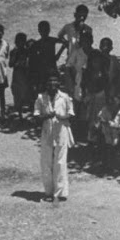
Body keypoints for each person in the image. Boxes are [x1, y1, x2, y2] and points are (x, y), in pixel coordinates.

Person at [34, 72, 75, 203]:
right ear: (46, 84)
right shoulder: (41, 98)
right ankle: (48, 192)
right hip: (47, 132)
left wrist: (62, 117)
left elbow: (71, 114)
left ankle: (60, 192)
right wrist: (47, 116)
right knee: (46, 162)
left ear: (58, 83)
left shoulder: (65, 97)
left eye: (55, 81)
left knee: (60, 161)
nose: (52, 84)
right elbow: (36, 116)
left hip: (61, 132)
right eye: (50, 81)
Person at [57, 4, 93, 102]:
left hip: (84, 60)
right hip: (71, 59)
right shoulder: (68, 27)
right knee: (71, 84)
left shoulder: (88, 29)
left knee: (82, 83)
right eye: (80, 16)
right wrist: (66, 43)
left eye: (84, 16)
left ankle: (80, 104)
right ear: (75, 15)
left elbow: (89, 42)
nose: (82, 18)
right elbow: (59, 35)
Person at [28, 20, 60, 99]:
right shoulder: (37, 43)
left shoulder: (51, 40)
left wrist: (60, 52)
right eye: (42, 30)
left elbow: (64, 42)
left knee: (54, 89)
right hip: (43, 71)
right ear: (39, 31)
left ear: (49, 30)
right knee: (43, 90)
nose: (44, 32)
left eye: (46, 30)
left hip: (51, 69)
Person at [9, 32, 34, 120]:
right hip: (17, 76)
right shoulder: (13, 52)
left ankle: (28, 115)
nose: (20, 44)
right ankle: (20, 116)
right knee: (17, 95)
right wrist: (16, 58)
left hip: (26, 76)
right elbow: (10, 64)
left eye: (22, 42)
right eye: (18, 42)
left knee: (27, 95)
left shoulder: (27, 51)